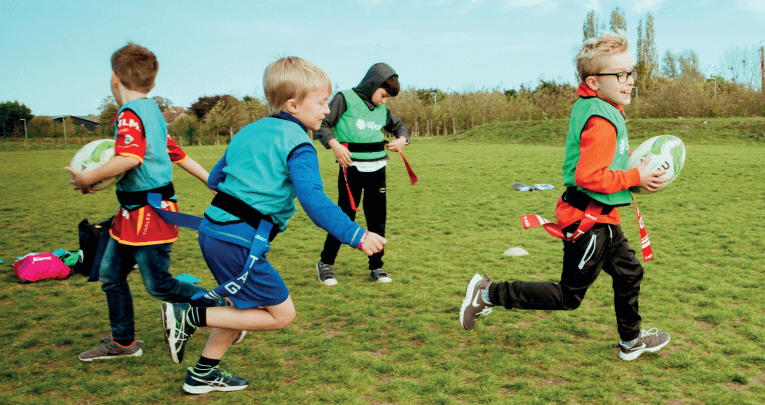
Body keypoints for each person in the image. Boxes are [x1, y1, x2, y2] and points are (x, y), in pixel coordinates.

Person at [160, 57, 387, 395]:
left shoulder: (250, 131)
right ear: (293, 105)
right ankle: (189, 315)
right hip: (238, 241)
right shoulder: (299, 144)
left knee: (243, 305)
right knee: (281, 315)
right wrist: (356, 233)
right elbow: (313, 200)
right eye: (322, 102)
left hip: (213, 232)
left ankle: (202, 374)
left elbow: (216, 179)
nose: (327, 111)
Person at [459, 30, 672, 361]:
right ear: (594, 81)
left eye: (631, 73)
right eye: (619, 75)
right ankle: (488, 293)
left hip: (604, 219)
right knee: (569, 296)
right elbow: (588, 176)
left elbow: (602, 170)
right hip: (589, 222)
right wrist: (635, 176)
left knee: (631, 272)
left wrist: (635, 182)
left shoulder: (601, 107)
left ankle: (630, 341)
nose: (629, 81)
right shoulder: (601, 120)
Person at [66, 42, 226, 362]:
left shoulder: (128, 115)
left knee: (159, 286)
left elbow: (130, 158)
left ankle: (226, 311)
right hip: (131, 215)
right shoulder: (152, 110)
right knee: (111, 275)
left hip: (150, 216)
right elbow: (176, 154)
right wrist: (212, 184)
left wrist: (87, 178)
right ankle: (124, 341)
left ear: (114, 78)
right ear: (152, 84)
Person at [315, 63, 410, 285]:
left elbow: (400, 127)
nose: (384, 101)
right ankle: (326, 263)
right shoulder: (344, 98)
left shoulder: (382, 110)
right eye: (383, 95)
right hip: (351, 169)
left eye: (388, 98)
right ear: (373, 84)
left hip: (378, 169)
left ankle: (377, 267)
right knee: (344, 217)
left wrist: (402, 139)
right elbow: (323, 125)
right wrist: (335, 146)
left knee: (377, 220)